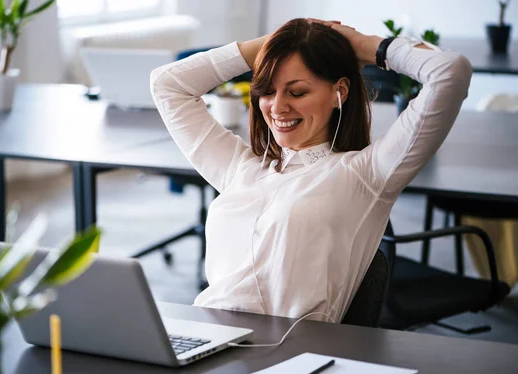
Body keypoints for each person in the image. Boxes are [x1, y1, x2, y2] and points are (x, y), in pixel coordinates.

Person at [150, 18, 472, 322]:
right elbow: (166, 85)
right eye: (267, 90)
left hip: (287, 353)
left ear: (339, 92)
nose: (277, 107)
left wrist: (364, 45)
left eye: (297, 92)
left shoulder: (366, 175)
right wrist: (267, 46)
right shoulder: (240, 169)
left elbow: (450, 72)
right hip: (208, 331)